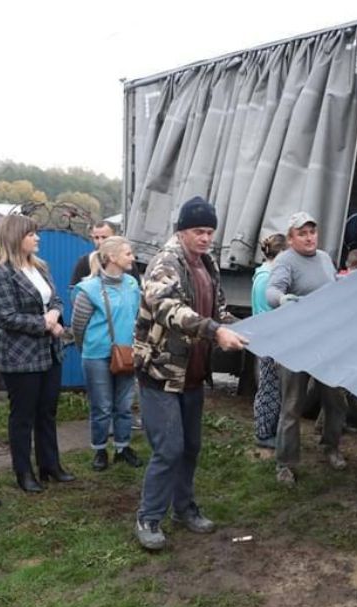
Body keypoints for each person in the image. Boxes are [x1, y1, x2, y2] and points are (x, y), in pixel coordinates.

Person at [133, 196, 248, 550]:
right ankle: (149, 517)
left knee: (191, 447)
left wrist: (252, 328)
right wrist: (215, 331)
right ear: (182, 231)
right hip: (161, 373)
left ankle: (183, 509)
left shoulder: (207, 264)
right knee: (169, 448)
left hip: (193, 375)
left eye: (210, 231)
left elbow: (220, 310)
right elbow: (169, 309)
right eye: (199, 231)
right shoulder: (164, 264)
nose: (205, 238)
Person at [0, 214, 72, 493]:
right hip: (21, 356)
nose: (37, 238)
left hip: (50, 353)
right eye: (31, 234)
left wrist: (56, 314)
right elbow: (6, 316)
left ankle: (50, 466)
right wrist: (45, 324)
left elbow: (55, 298)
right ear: (15, 237)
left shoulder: (41, 267)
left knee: (47, 411)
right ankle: (24, 472)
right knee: (22, 416)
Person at [266, 212, 349, 486]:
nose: (309, 237)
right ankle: (285, 464)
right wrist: (282, 298)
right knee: (292, 406)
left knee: (336, 399)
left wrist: (355, 279)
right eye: (302, 233)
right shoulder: (285, 261)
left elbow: (335, 286)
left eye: (312, 231)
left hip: (326, 342)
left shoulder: (325, 258)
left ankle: (331, 447)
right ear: (291, 239)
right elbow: (272, 291)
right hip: (294, 345)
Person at [71, 235, 144, 471]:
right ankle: (100, 450)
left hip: (126, 353)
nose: (132, 258)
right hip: (96, 356)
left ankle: (123, 447)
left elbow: (138, 318)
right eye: (128, 254)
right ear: (112, 257)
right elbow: (78, 327)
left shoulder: (133, 285)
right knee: (101, 407)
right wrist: (88, 350)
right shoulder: (88, 289)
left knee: (124, 405)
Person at [251, 233, 287, 449]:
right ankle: (263, 433)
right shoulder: (266, 278)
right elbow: (267, 315)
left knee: (272, 386)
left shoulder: (266, 274)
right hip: (268, 340)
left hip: (269, 339)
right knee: (268, 388)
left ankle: (268, 430)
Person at [70, 220, 115, 287]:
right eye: (96, 238)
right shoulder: (85, 262)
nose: (100, 241)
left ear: (114, 237)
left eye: (104, 237)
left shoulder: (125, 260)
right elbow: (75, 289)